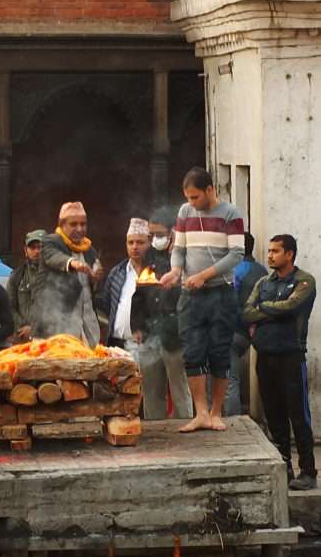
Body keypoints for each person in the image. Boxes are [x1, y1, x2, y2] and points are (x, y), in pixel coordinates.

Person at [159, 167, 245, 432]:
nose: (192, 203)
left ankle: (217, 412)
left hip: (220, 291)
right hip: (190, 294)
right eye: (188, 197)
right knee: (193, 352)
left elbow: (236, 254)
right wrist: (175, 271)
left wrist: (204, 275)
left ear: (210, 190)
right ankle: (201, 413)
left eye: (196, 197)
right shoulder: (185, 213)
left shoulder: (231, 213)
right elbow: (179, 248)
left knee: (220, 351)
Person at [243, 234, 318, 490]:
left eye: (276, 251)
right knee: (274, 415)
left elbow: (293, 307)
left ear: (290, 254)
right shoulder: (264, 281)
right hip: (265, 355)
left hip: (291, 355)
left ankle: (308, 471)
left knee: (298, 415)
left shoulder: (304, 280)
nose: (270, 255)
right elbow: (247, 311)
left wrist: (265, 310)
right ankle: (283, 466)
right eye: (270, 251)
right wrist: (273, 310)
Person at [128, 209, 193, 420]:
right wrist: (137, 327)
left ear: (172, 232)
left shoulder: (185, 257)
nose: (156, 239)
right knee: (151, 389)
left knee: (179, 387)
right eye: (152, 235)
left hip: (175, 335)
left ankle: (186, 429)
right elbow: (138, 296)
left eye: (160, 234)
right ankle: (155, 429)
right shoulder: (149, 259)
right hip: (149, 333)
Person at [38, 202, 104, 347]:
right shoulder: (50, 242)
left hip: (88, 327)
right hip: (57, 328)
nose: (79, 229)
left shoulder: (90, 250)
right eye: (73, 224)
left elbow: (93, 289)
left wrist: (95, 278)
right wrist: (72, 263)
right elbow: (54, 257)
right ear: (62, 225)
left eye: (83, 224)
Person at [228, 233, 268, 417]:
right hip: (251, 332)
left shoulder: (232, 271)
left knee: (229, 381)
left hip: (230, 330)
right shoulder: (262, 271)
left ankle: (233, 424)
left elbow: (231, 302)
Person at [98, 218, 151, 349]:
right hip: (117, 343)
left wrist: (145, 331)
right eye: (130, 242)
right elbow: (107, 304)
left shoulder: (156, 272)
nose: (135, 247)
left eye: (140, 242)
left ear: (149, 243)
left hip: (146, 345)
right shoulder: (117, 273)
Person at [7, 230, 46, 344]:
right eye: (32, 248)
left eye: (40, 247)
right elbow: (9, 307)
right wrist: (23, 327)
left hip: (49, 340)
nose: (37, 251)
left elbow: (60, 310)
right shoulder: (17, 275)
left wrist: (34, 329)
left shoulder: (57, 277)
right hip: (22, 339)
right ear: (25, 250)